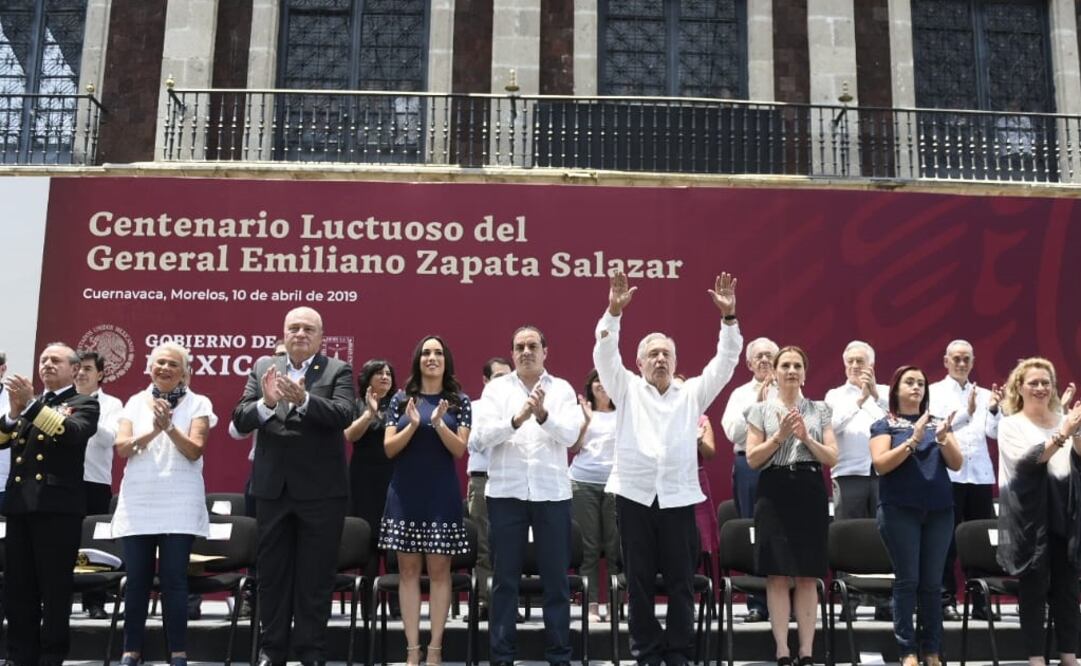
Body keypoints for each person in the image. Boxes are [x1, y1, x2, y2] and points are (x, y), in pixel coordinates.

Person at [594, 271, 741, 666]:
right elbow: (604, 354)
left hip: (678, 499)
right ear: (639, 362)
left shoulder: (691, 393)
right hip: (634, 496)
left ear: (676, 363)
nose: (660, 358)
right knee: (638, 582)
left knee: (680, 582)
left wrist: (729, 319)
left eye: (667, 354)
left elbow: (726, 363)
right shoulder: (624, 387)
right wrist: (613, 313)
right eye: (653, 354)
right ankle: (645, 651)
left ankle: (678, 651)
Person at [233, 306, 355, 666]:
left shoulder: (338, 370)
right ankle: (271, 649)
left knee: (315, 577)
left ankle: (311, 650)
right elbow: (240, 418)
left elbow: (343, 414)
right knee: (272, 575)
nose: (300, 333)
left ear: (321, 336)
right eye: (294, 328)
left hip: (321, 492)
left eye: (308, 329)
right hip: (272, 489)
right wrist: (268, 403)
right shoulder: (262, 368)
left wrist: (303, 400)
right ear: (284, 333)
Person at [472, 326, 581, 666]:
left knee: (556, 581)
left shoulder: (561, 389)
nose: (526, 351)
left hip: (552, 493)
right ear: (512, 352)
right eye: (519, 346)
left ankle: (559, 656)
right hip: (507, 493)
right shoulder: (496, 391)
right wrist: (516, 419)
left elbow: (570, 434)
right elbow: (479, 439)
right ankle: (501, 657)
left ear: (546, 351)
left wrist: (544, 416)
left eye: (533, 345)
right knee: (504, 580)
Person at [112, 343, 216, 666]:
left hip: (179, 501)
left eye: (173, 364)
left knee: (174, 579)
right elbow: (123, 448)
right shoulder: (134, 402)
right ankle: (131, 649)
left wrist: (169, 428)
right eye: (159, 363)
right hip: (140, 499)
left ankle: (178, 652)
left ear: (185, 371)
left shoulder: (199, 402)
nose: (165, 368)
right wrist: (153, 432)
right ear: (149, 368)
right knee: (138, 579)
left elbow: (195, 449)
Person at [0, 343, 99, 666]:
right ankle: (20, 656)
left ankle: (51, 657)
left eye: (55, 360)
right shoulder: (32, 405)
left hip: (57, 510)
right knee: (19, 590)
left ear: (74, 369)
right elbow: (2, 440)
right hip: (20, 507)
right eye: (43, 360)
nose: (47, 365)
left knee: (54, 590)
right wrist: (14, 413)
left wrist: (28, 407)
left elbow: (70, 432)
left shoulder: (84, 403)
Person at [381, 335, 471, 666]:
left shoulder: (459, 401)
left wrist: (437, 424)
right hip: (405, 493)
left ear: (446, 360)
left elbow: (459, 450)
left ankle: (435, 648)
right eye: (425, 353)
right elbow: (390, 449)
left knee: (439, 570)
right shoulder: (401, 400)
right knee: (407, 571)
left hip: (441, 496)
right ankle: (411, 649)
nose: (431, 357)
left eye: (437, 353)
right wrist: (414, 425)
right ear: (418, 360)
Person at [746, 346, 838, 666]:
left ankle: (807, 651)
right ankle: (783, 650)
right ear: (774, 371)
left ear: (805, 372)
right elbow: (753, 458)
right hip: (774, 491)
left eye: (797, 365)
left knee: (808, 574)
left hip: (809, 489)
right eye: (785, 365)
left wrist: (807, 439)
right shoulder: (760, 410)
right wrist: (780, 437)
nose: (791, 370)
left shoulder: (820, 409)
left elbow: (832, 456)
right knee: (777, 573)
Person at [869, 365, 962, 666]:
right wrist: (912, 439)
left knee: (933, 584)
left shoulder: (938, 424)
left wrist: (944, 438)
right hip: (899, 510)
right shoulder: (885, 424)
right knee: (908, 580)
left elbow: (956, 464)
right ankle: (907, 650)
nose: (916, 387)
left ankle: (932, 650)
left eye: (921, 383)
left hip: (939, 510)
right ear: (895, 389)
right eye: (909, 382)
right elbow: (881, 464)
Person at [996, 357, 1081, 666]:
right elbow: (1027, 462)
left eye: (1046, 382)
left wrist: (1076, 430)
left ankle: (1069, 655)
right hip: (1029, 518)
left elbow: (1078, 458)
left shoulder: (1064, 418)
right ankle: (1036, 659)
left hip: (1064, 511)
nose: (1041, 388)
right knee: (1034, 591)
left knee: (1068, 589)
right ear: (1020, 386)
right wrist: (1062, 435)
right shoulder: (1010, 424)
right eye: (1034, 382)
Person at [927, 340, 1003, 620]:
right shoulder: (933, 391)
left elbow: (993, 433)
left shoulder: (983, 394)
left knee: (981, 540)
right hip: (948, 473)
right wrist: (967, 414)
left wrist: (994, 410)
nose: (961, 364)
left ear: (973, 362)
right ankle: (946, 599)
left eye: (966, 359)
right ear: (945, 361)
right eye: (956, 359)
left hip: (980, 474)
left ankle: (981, 602)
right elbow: (936, 429)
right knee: (945, 540)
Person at [824, 340, 891, 620]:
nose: (854, 366)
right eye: (850, 361)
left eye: (860, 361)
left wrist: (873, 396)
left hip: (882, 473)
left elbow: (893, 422)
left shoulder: (885, 392)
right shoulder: (835, 395)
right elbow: (833, 424)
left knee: (884, 535)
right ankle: (848, 599)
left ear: (871, 366)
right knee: (848, 536)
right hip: (848, 473)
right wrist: (859, 401)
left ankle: (884, 600)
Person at [720, 336, 778, 622]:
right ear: (749, 363)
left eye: (770, 355)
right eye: (760, 356)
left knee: (785, 531)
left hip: (784, 465)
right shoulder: (741, 394)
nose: (765, 360)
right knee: (754, 530)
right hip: (750, 465)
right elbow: (733, 433)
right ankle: (757, 602)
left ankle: (785, 601)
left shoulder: (790, 390)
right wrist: (757, 406)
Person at [74, 349, 124, 619]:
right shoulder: (58, 400)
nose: (80, 372)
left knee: (93, 544)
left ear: (101, 374)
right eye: (77, 368)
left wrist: (86, 411)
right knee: (59, 541)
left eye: (88, 368)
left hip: (94, 482)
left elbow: (110, 440)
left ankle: (95, 601)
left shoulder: (112, 404)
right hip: (62, 483)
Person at [570, 368, 619, 623]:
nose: (602, 385)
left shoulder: (624, 413)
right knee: (588, 548)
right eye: (597, 380)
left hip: (615, 485)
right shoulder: (581, 412)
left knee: (614, 548)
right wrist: (586, 421)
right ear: (590, 385)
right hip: (582, 483)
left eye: (606, 379)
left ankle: (613, 604)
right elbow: (573, 447)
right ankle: (590, 605)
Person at [465, 355, 512, 619]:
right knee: (483, 544)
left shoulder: (521, 405)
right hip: (483, 479)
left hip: (511, 479)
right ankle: (484, 601)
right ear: (485, 380)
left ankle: (506, 603)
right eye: (498, 377)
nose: (504, 381)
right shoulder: (475, 407)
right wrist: (505, 429)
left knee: (509, 545)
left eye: (508, 376)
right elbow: (475, 444)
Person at [345, 358, 398, 586]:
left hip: (394, 476)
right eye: (379, 373)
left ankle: (396, 604)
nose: (385, 377)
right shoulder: (356, 404)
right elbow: (350, 435)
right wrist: (369, 413)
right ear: (368, 379)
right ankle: (368, 604)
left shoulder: (402, 405)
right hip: (364, 478)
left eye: (388, 373)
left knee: (394, 539)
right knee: (368, 538)